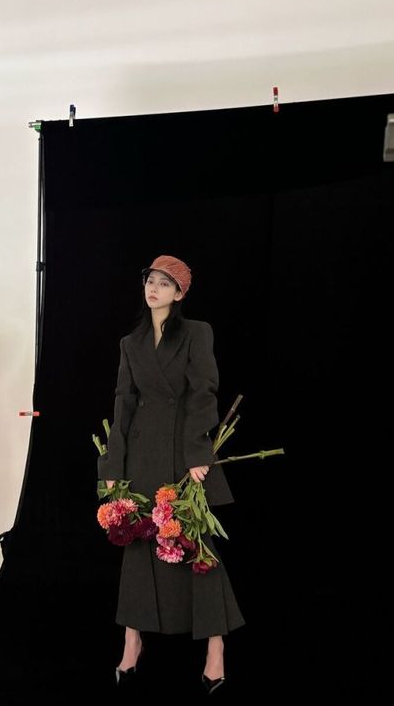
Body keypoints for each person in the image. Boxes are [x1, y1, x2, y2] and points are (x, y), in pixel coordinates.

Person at [97, 254, 245, 694]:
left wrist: (199, 450)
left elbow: (204, 391)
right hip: (141, 456)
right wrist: (113, 466)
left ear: (179, 293)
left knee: (197, 545)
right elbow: (123, 404)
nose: (154, 288)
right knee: (138, 544)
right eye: (150, 280)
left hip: (184, 454)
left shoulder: (197, 333)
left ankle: (215, 646)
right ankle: (132, 640)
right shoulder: (131, 343)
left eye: (164, 283)